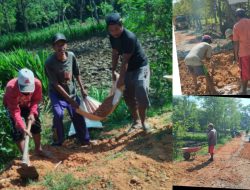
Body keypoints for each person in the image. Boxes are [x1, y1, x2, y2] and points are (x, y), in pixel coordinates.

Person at [105, 13, 152, 133]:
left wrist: (120, 78)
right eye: (111, 30)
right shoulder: (112, 37)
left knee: (141, 89)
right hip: (128, 69)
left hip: (140, 66)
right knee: (128, 95)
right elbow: (115, 53)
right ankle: (136, 122)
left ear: (121, 25)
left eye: (116, 29)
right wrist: (113, 70)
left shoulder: (129, 37)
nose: (114, 32)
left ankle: (144, 122)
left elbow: (125, 60)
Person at [45, 33, 90, 146]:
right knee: (58, 114)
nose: (61, 47)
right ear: (53, 47)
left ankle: (84, 140)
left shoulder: (71, 56)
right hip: (57, 94)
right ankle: (58, 140)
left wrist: (82, 89)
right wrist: (68, 99)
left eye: (63, 44)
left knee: (78, 114)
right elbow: (55, 84)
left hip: (71, 92)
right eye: (57, 45)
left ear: (66, 45)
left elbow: (77, 73)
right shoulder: (49, 62)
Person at [3, 68, 47, 156]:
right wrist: (22, 127)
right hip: (14, 106)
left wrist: (32, 112)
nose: (27, 92)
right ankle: (25, 155)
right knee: (17, 130)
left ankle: (38, 149)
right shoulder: (11, 87)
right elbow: (14, 110)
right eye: (24, 89)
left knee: (36, 124)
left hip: (28, 105)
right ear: (19, 84)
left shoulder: (37, 84)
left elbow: (35, 100)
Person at [233, 8, 250, 95]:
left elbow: (236, 43)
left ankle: (244, 91)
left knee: (245, 73)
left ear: (237, 16)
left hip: (244, 54)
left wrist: (236, 56)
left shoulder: (236, 26)